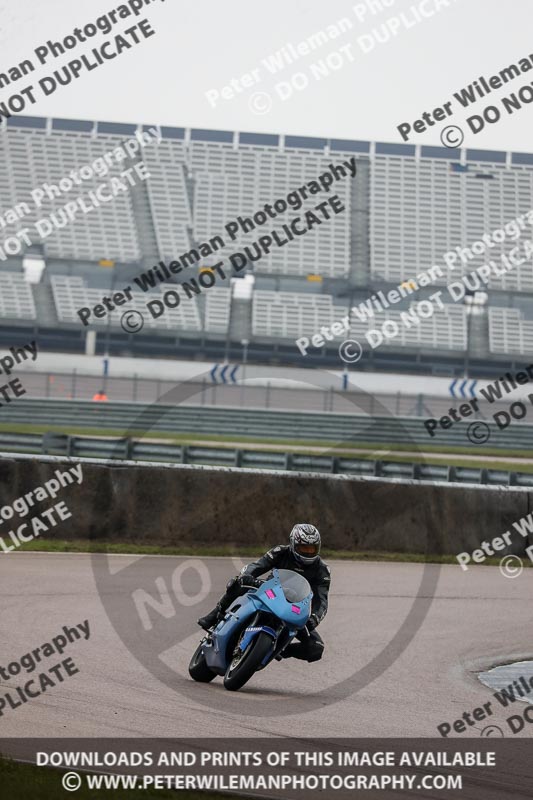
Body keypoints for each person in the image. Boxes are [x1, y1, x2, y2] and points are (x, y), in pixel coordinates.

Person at [197, 523, 331, 663]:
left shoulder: (322, 570)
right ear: (293, 543)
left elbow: (322, 601)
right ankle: (215, 614)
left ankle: (280, 649)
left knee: (316, 648)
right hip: (269, 593)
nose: (308, 552)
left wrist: (315, 618)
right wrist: (247, 575)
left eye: (312, 548)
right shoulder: (280, 551)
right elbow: (258, 565)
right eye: (304, 548)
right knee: (237, 582)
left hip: (293, 609)